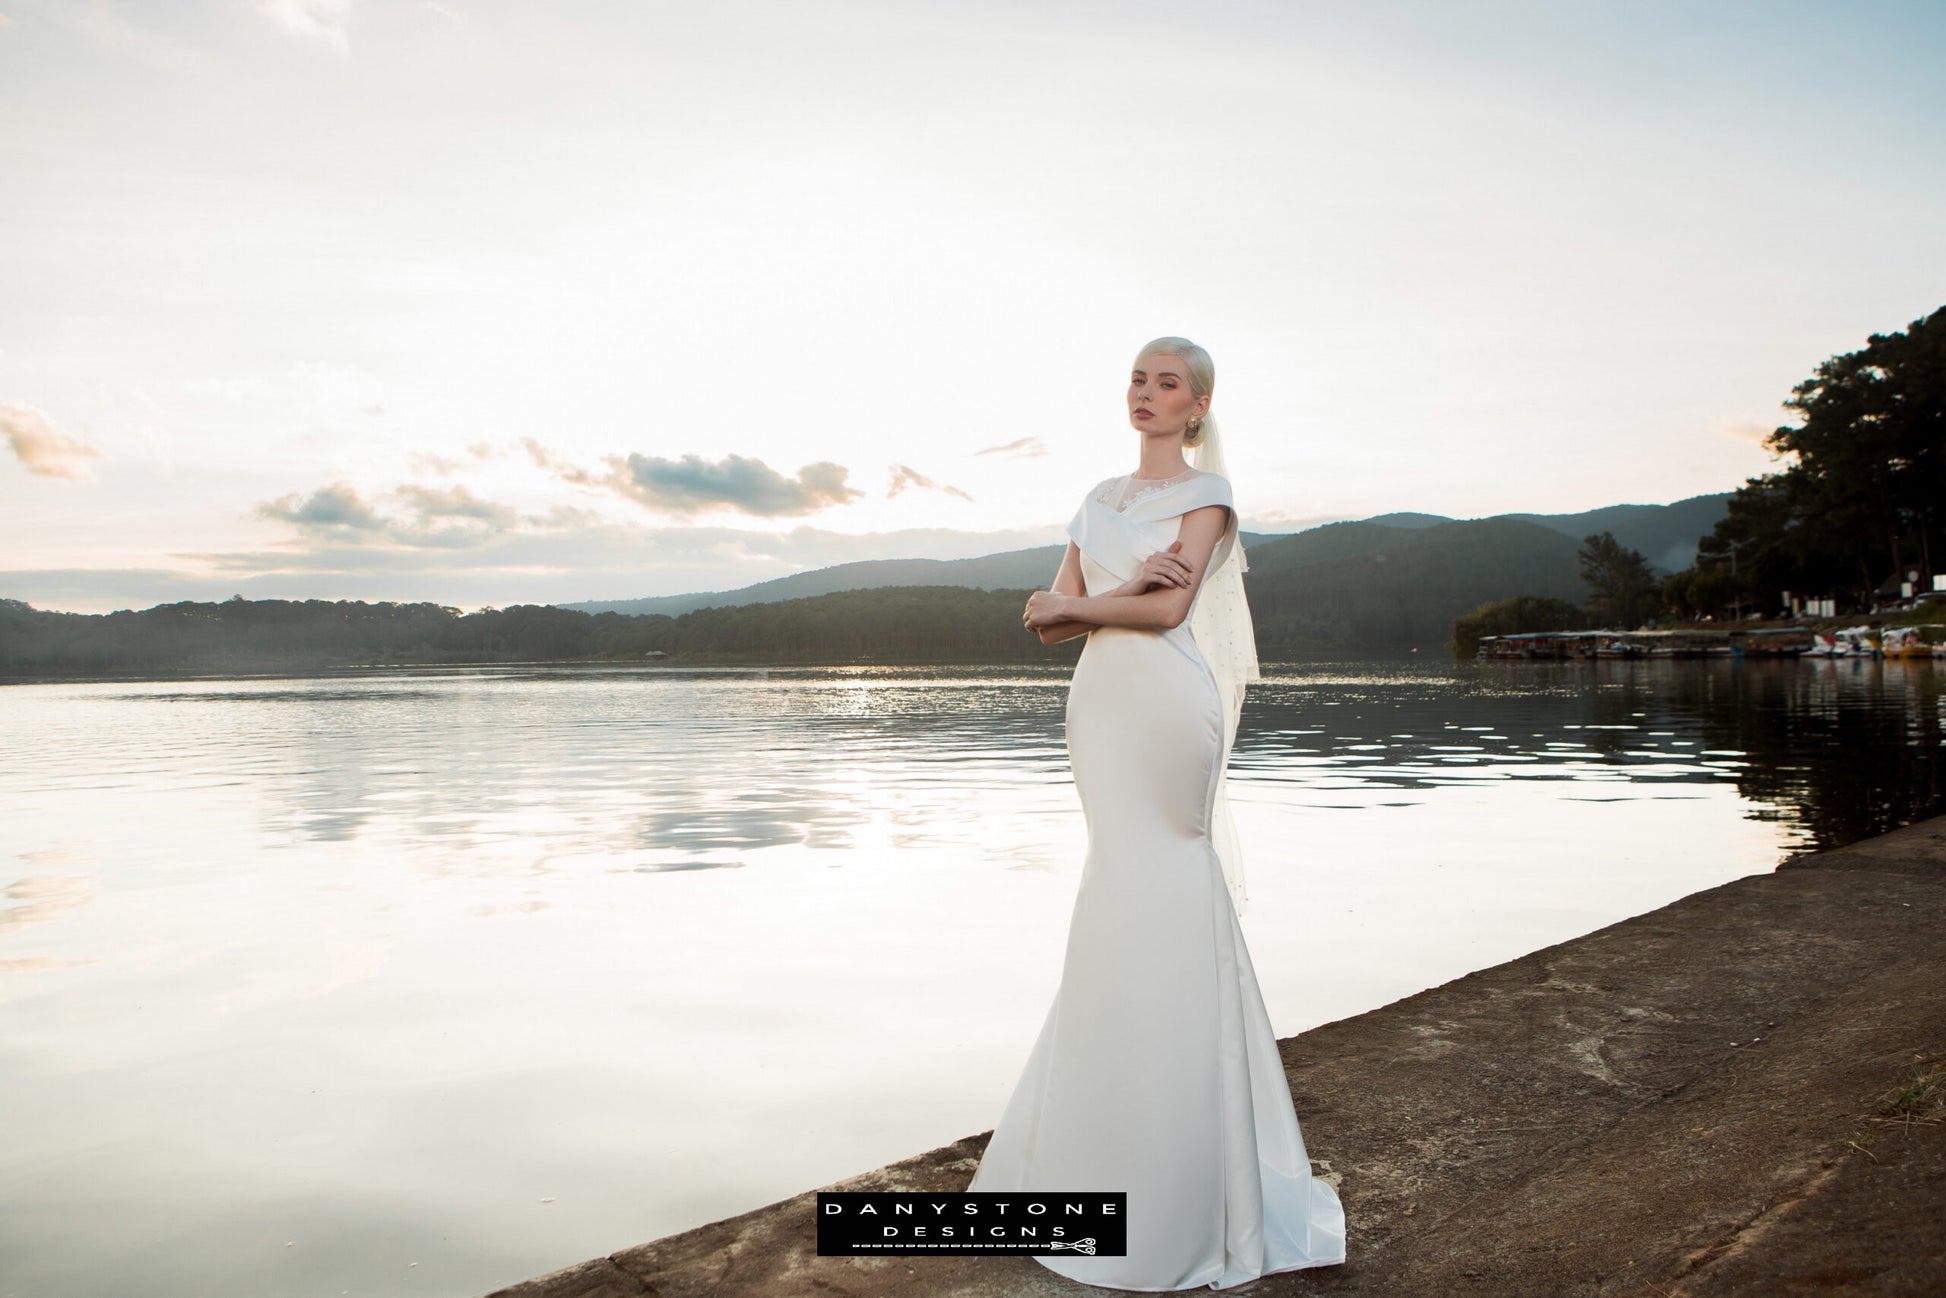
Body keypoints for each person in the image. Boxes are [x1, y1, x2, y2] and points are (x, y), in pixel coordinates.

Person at [965, 337, 1347, 1290]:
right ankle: (1096, 1151)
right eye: (1137, 377)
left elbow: (1168, 618)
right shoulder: (1099, 502)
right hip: (1099, 708)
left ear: (1198, 405)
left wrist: (1098, 598)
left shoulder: (1206, 499)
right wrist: (1110, 593)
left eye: (1166, 382)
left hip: (1171, 709)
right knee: (1111, 897)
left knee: (1169, 880)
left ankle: (1188, 1181)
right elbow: (1050, 623)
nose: (1146, 393)